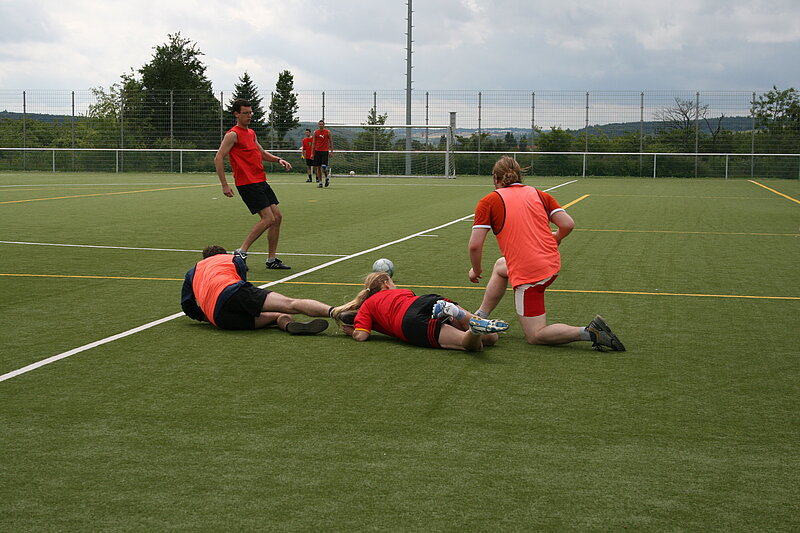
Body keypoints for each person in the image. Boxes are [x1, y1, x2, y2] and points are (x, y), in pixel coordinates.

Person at [468, 156, 625, 351]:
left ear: (495, 178)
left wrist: (476, 270)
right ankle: (480, 316)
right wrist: (557, 237)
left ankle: (590, 332)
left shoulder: (489, 201)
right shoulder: (539, 194)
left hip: (530, 275)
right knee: (501, 266)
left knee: (535, 335)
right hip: (550, 264)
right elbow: (568, 224)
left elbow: (475, 246)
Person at [332, 272, 510, 352]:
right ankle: (459, 314)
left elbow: (362, 336)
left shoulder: (367, 305)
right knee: (491, 339)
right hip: (426, 301)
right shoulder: (402, 292)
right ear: (386, 284)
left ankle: (474, 330)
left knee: (471, 345)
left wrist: (352, 332)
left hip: (410, 321)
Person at [181, 245, 337, 333]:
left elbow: (187, 306)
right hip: (232, 292)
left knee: (276, 316)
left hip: (220, 319)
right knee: (289, 304)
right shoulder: (232, 259)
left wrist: (207, 317)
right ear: (223, 254)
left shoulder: (192, 271)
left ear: (204, 259)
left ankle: (288, 325)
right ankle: (336, 312)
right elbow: (243, 284)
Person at [214, 98, 292, 270]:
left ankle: (271, 259)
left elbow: (262, 153)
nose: (249, 116)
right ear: (236, 114)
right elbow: (218, 157)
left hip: (260, 180)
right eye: (245, 113)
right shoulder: (232, 135)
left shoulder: (251, 133)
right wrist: (224, 184)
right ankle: (240, 252)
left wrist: (278, 159)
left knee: (277, 217)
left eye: (250, 112)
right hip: (247, 183)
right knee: (268, 218)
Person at [311, 119, 333, 187]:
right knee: (318, 167)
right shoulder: (316, 132)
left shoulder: (327, 132)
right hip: (317, 151)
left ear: (324, 125)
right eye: (320, 124)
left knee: (324, 166)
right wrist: (312, 153)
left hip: (325, 151)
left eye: (322, 124)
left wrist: (331, 151)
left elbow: (331, 142)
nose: (321, 125)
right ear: (318, 125)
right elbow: (313, 143)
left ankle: (326, 178)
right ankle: (320, 182)